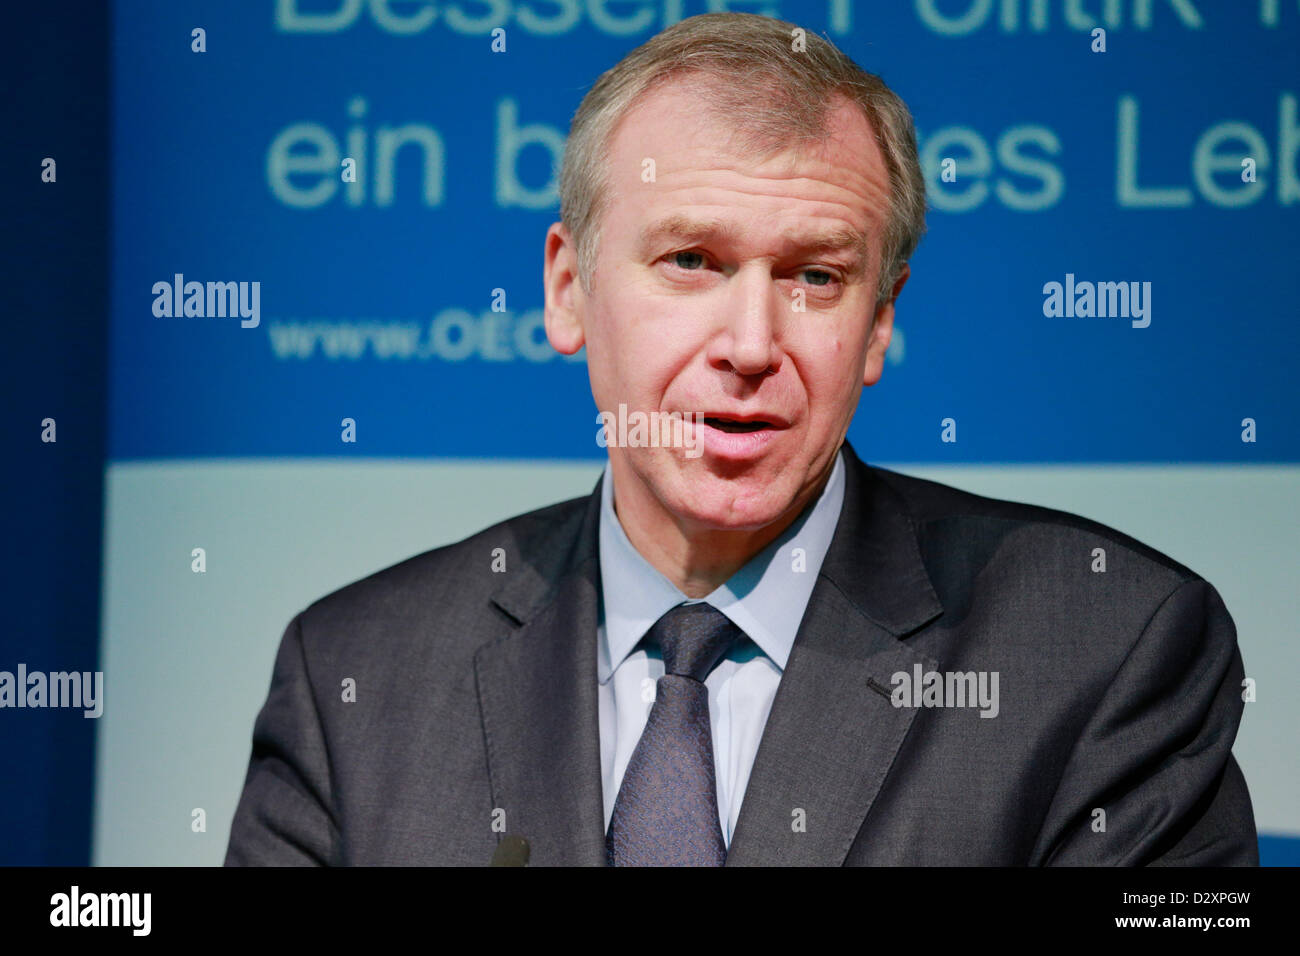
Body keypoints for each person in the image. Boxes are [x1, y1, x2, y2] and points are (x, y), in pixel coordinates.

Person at [225, 12, 1256, 866]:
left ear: (880, 322)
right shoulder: (355, 677)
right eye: (690, 260)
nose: (752, 344)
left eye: (815, 276)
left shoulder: (1107, 649)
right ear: (567, 288)